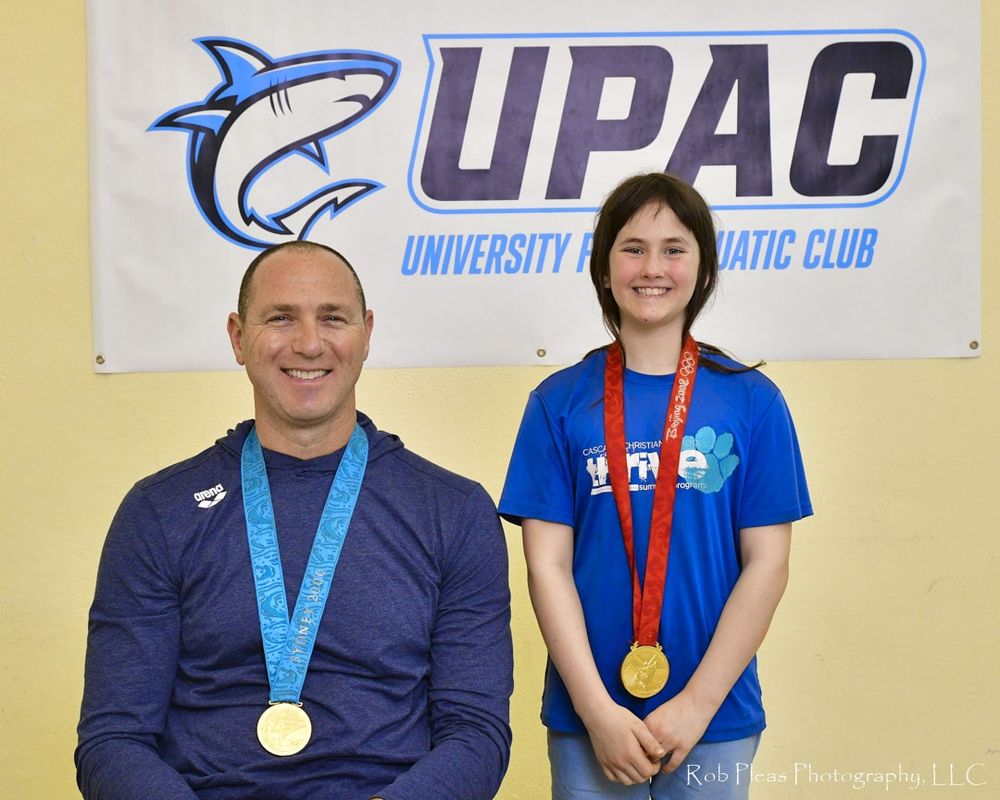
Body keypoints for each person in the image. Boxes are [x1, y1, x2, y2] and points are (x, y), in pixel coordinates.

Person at [76, 241, 513, 800]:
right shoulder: (159, 512)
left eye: (332, 318)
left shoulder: (453, 511)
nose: (309, 343)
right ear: (238, 337)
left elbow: (475, 732)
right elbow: (113, 740)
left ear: (366, 333)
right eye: (280, 318)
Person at [498, 173, 812, 799]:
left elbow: (768, 565)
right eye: (632, 247)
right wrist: (595, 710)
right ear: (604, 267)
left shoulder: (753, 402)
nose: (653, 267)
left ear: (702, 268)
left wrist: (696, 705)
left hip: (714, 717)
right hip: (591, 719)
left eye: (674, 248)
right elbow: (547, 568)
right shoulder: (558, 404)